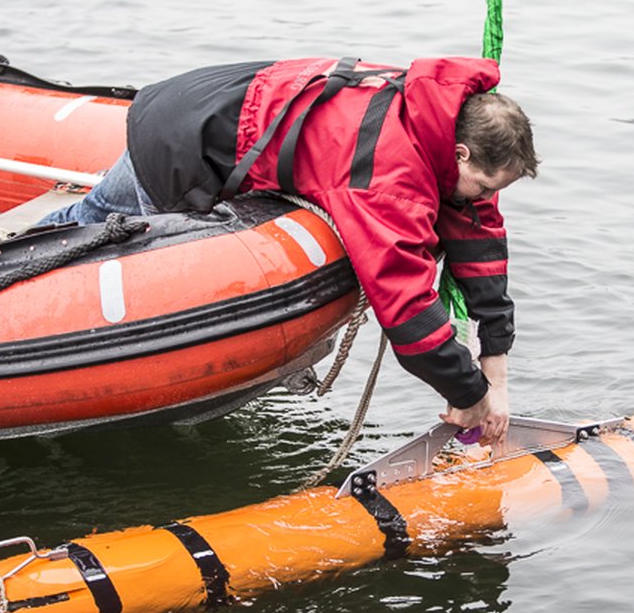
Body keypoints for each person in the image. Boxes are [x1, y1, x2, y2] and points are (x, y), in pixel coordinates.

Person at [39, 57, 539, 446]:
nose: (481, 197)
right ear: (460, 154)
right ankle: (12, 277)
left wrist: (495, 360)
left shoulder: (435, 112)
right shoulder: (389, 176)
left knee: (92, 215)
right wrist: (469, 394)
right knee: (100, 233)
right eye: (482, 185)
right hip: (182, 140)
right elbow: (405, 308)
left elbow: (478, 233)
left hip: (209, 103)